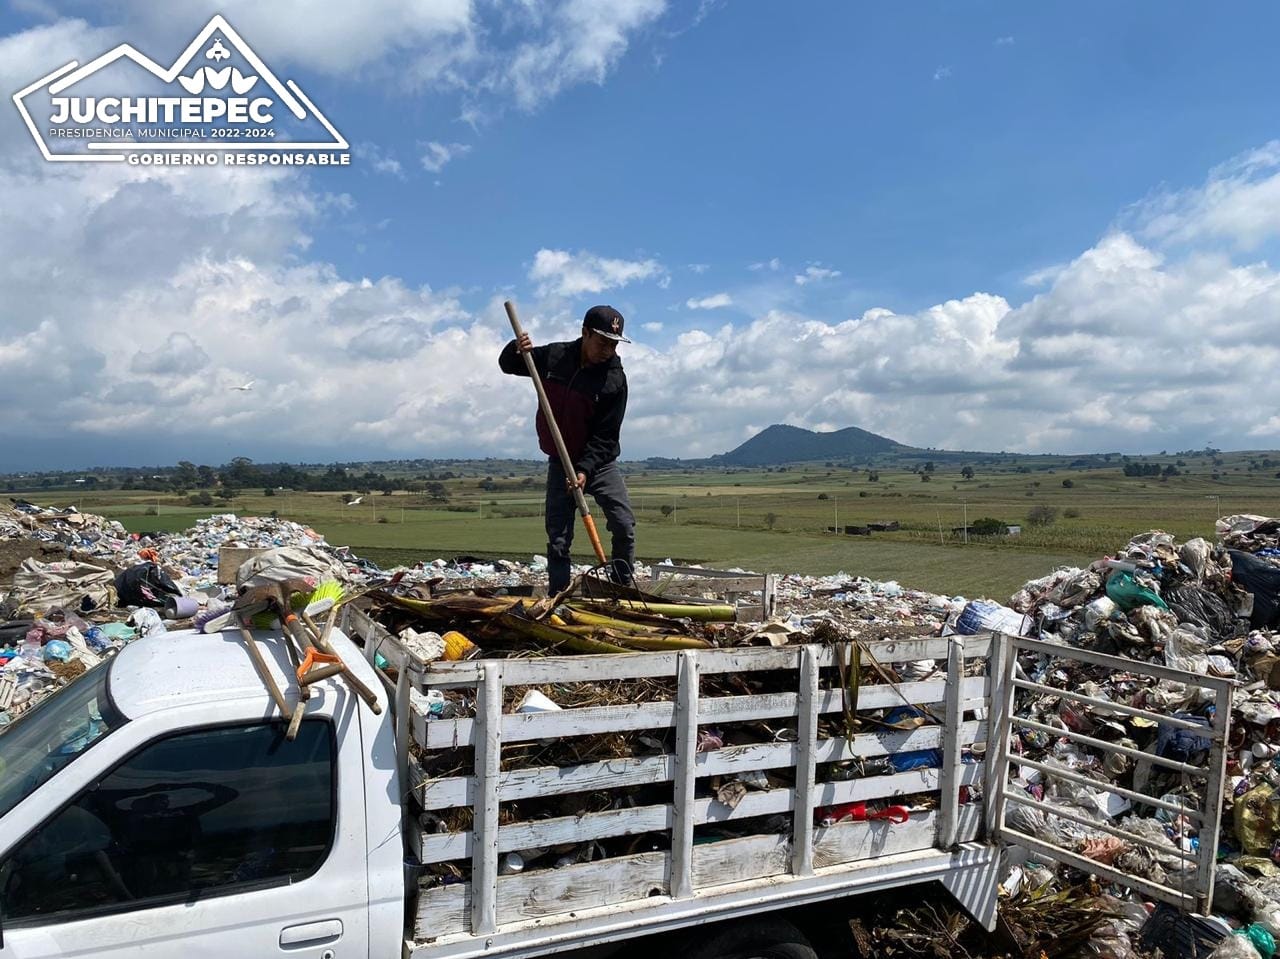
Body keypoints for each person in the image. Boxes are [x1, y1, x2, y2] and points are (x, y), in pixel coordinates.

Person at [499, 305, 636, 593]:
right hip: (560, 460)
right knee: (558, 536)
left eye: (614, 344)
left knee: (623, 524)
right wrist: (515, 349)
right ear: (585, 333)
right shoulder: (555, 357)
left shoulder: (614, 380)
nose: (608, 350)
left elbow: (606, 436)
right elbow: (510, 365)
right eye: (603, 342)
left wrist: (585, 469)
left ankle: (622, 587)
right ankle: (558, 594)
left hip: (600, 464)